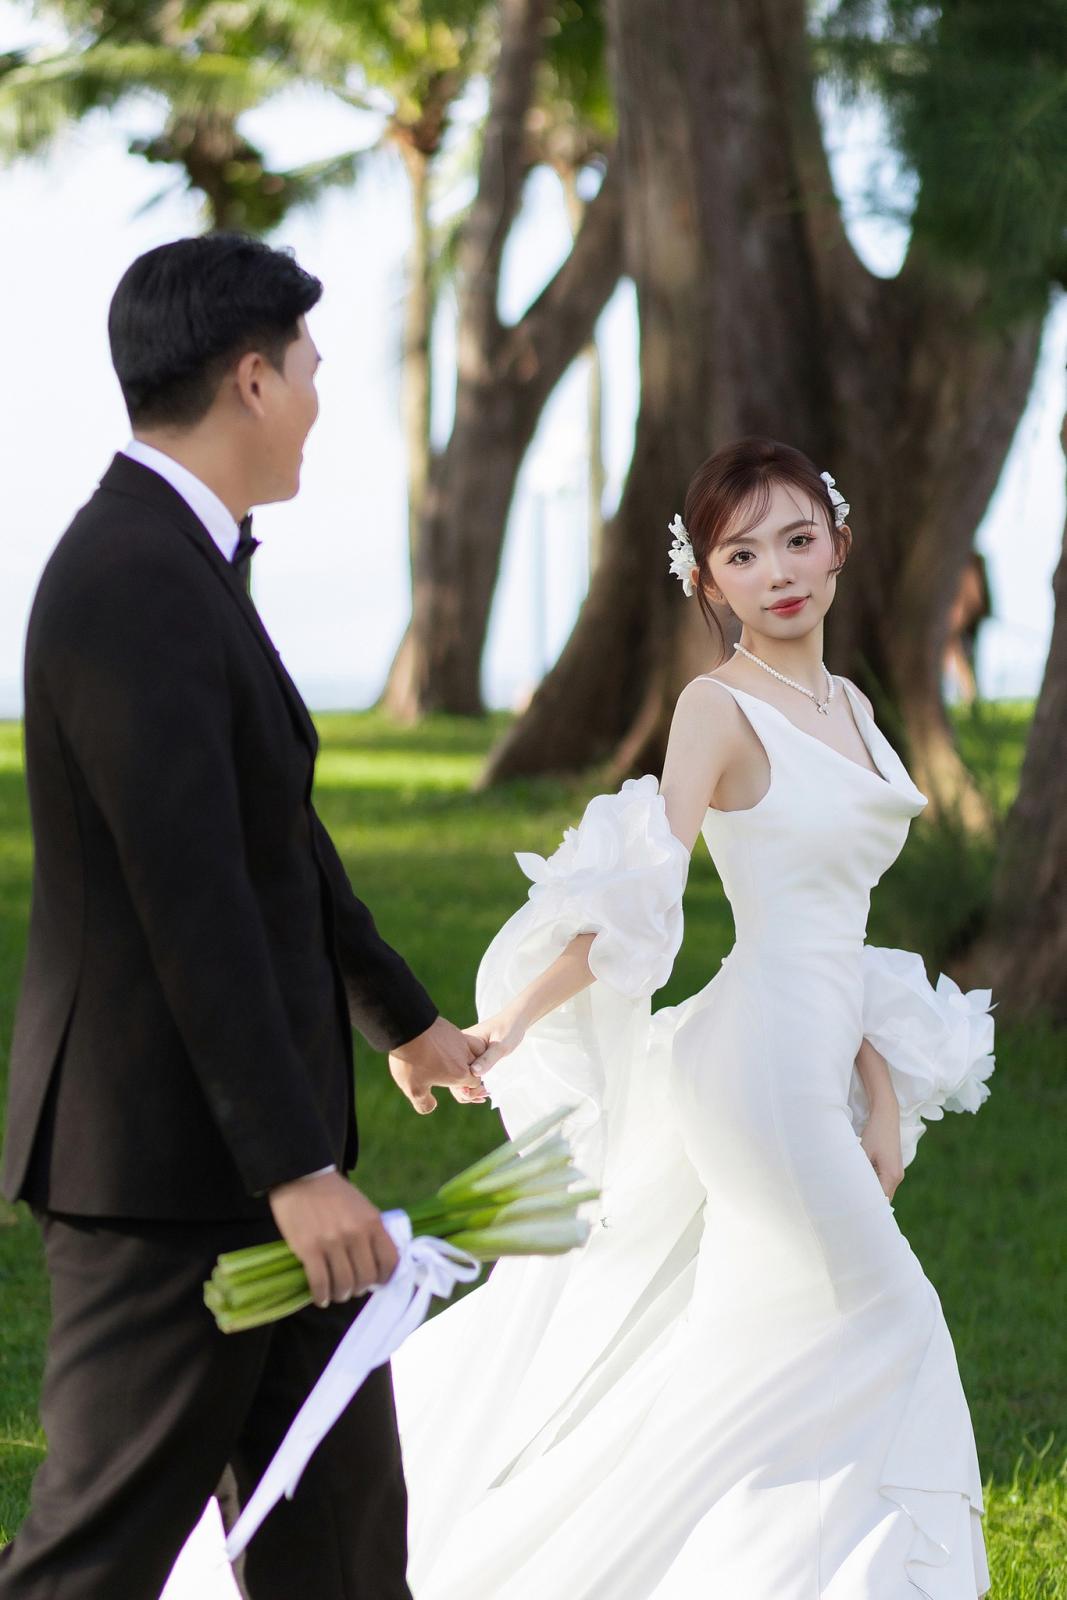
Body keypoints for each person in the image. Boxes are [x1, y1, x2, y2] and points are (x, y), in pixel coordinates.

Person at [164, 440, 997, 1599]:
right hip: (755, 1073)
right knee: (888, 1316)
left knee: (773, 1352)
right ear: (705, 580)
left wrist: (879, 1093)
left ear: (837, 545)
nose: (775, 573)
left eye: (795, 540)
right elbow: (638, 889)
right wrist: (506, 1020)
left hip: (816, 1055)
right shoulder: (716, 708)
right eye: (740, 554)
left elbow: (835, 926)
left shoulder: (848, 705)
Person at [0, 233, 486, 1600]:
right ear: (253, 380)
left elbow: (275, 838)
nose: (322, 400)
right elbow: (190, 897)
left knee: (342, 1553)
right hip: (167, 1185)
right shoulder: (129, 577)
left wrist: (402, 1018)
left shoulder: (186, 559)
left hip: (267, 1179)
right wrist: (294, 1170)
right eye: (312, 369)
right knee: (89, 1565)